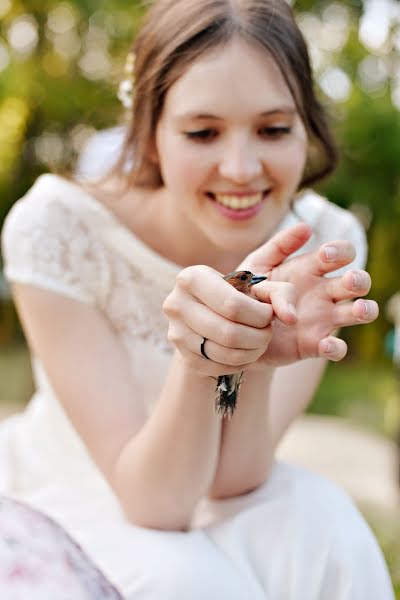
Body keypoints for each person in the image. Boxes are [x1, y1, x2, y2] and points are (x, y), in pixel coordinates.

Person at [0, 0, 395, 598]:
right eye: (202, 132)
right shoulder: (58, 228)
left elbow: (236, 481)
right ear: (151, 134)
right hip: (85, 488)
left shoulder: (328, 243)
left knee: (329, 528)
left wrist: (257, 357)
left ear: (306, 127)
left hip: (222, 494)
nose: (240, 168)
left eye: (273, 129)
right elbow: (153, 502)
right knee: (189, 581)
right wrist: (203, 362)